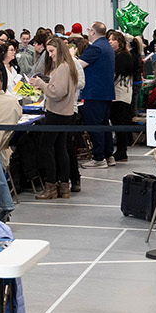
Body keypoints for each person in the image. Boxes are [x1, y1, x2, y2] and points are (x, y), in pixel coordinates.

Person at [29, 36, 82, 199]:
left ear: (59, 50)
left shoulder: (62, 68)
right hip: (66, 113)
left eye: (51, 51)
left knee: (45, 148)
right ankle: (64, 185)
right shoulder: (69, 66)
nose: (50, 55)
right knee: (60, 149)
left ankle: (51, 185)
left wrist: (41, 84)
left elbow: (56, 92)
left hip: (57, 112)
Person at [78, 23, 116, 169]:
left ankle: (99, 158)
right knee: (104, 124)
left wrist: (70, 57)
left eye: (89, 30)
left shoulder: (95, 48)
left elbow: (78, 66)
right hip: (106, 92)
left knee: (95, 125)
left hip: (94, 93)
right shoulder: (107, 46)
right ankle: (108, 155)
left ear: (93, 32)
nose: (88, 32)